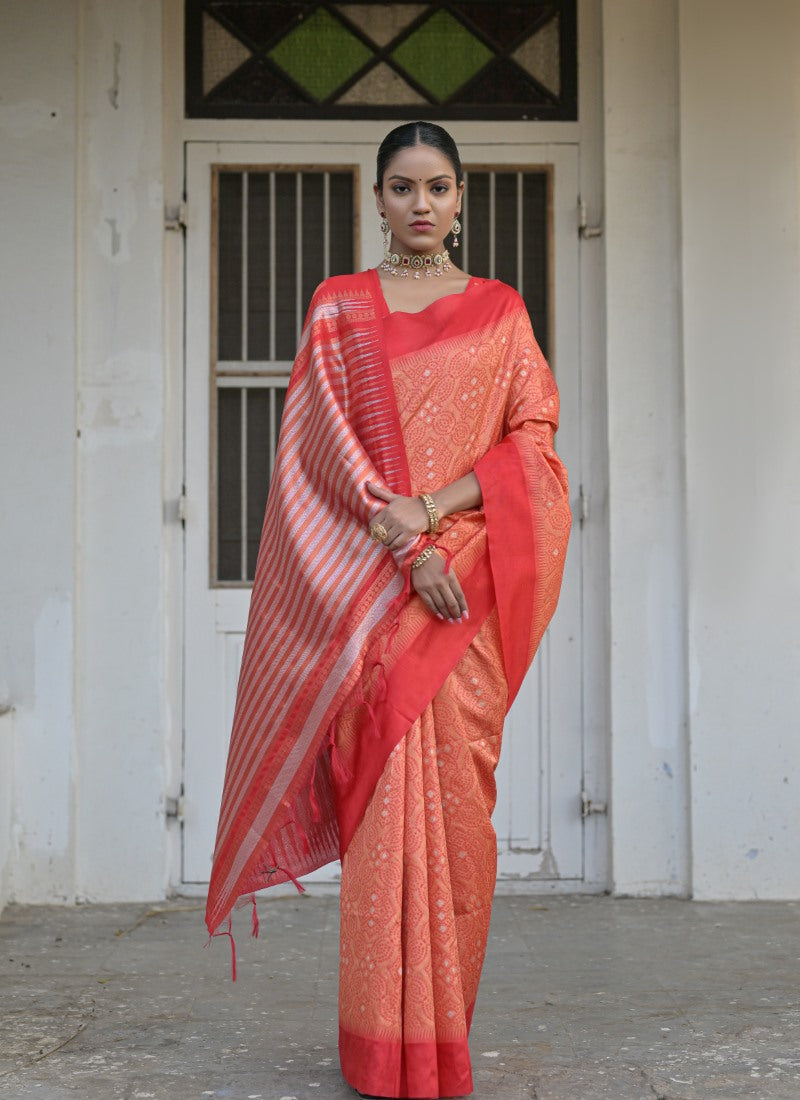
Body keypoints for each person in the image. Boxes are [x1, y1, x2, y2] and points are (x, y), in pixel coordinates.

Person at [205, 121, 572, 1100]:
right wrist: (406, 548)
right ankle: (378, 1045)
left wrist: (437, 517)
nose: (420, 204)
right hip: (375, 600)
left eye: (438, 187)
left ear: (461, 200)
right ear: (375, 197)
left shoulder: (499, 313)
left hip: (468, 593)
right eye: (402, 187)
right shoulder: (338, 310)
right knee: (384, 818)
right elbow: (318, 460)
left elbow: (532, 439)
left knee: (460, 821)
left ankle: (439, 1036)